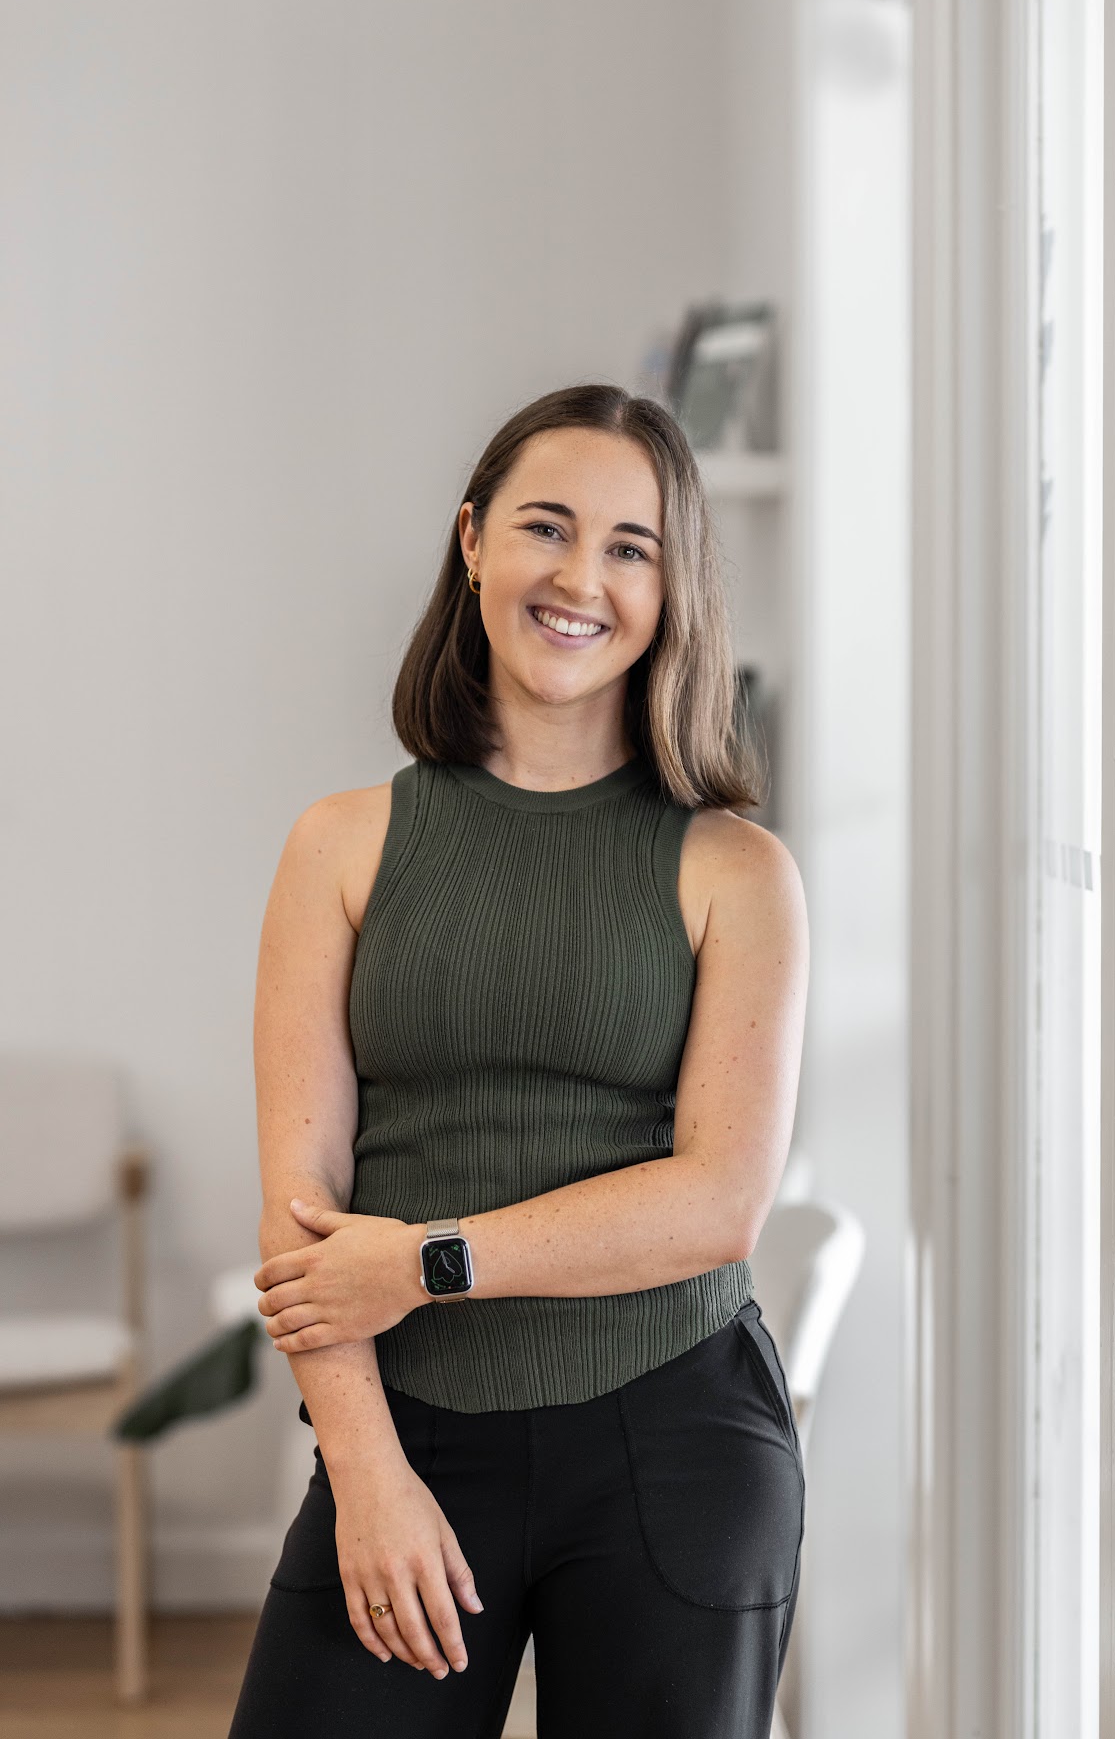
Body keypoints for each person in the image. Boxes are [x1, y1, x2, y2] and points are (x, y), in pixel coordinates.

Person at [227, 383, 810, 1738]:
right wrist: (365, 1472)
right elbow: (300, 1199)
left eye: (630, 547)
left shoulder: (738, 871)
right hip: (410, 1429)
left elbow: (719, 1200)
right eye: (547, 527)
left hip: (674, 1439)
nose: (579, 577)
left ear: (674, 591)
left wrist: (429, 1258)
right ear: (474, 540)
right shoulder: (343, 844)